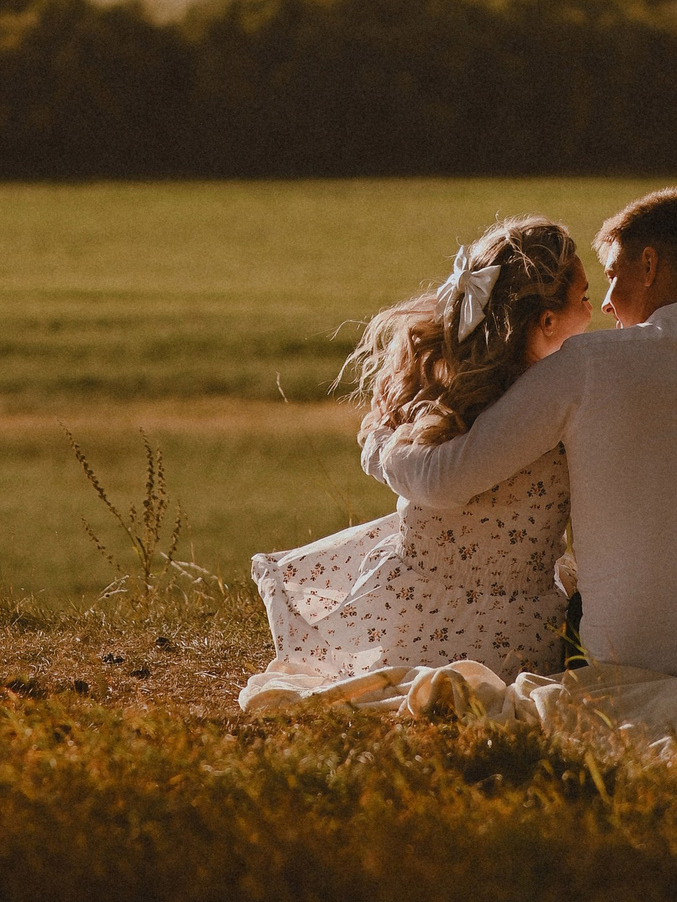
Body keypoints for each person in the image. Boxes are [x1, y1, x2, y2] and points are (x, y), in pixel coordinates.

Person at [362, 188, 677, 686]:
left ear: (648, 265)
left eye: (613, 275)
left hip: (610, 662)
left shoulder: (584, 367)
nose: (604, 301)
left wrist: (381, 442)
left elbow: (447, 478)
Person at [250, 217, 592, 681]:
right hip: (489, 630)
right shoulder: (540, 401)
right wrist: (381, 441)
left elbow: (415, 465)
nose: (599, 309)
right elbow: (440, 481)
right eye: (586, 299)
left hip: (418, 608)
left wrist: (378, 439)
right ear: (548, 321)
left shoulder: (483, 388)